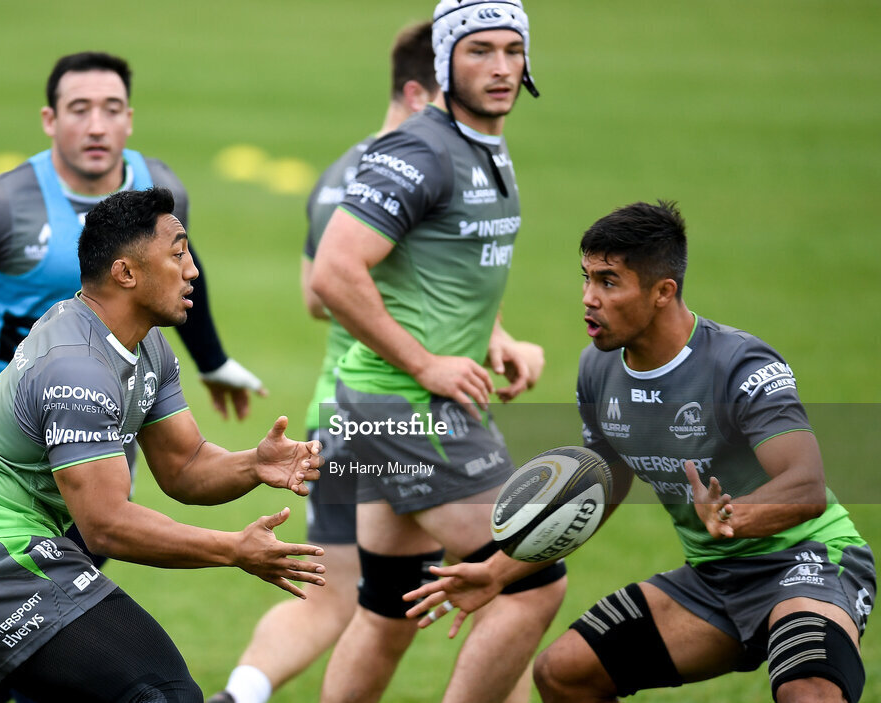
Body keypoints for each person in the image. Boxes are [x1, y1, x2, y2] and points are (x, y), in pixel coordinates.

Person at [405, 200, 876, 703]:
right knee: (564, 673)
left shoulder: (741, 366)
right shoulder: (598, 370)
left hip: (806, 563)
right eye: (586, 278)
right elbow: (596, 490)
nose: (588, 298)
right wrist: (496, 573)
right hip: (714, 580)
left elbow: (806, 485)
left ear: (662, 292)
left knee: (807, 690)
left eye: (608, 282)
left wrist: (735, 514)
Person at [0, 186, 326, 701]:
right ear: (126, 273)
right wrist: (234, 549)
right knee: (165, 694)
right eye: (178, 255)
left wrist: (254, 464)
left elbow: (185, 465)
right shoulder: (77, 367)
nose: (193, 270)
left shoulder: (146, 346)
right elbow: (106, 525)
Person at [311, 3, 565, 702]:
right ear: (446, 63)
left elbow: (446, 266)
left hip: (387, 405)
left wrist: (495, 336)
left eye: (512, 50)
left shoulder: (480, 142)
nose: (501, 67)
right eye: (479, 51)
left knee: (389, 608)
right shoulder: (422, 149)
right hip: (411, 407)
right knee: (531, 579)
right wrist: (426, 364)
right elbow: (333, 271)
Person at [208, 21, 441, 703]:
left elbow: (317, 296)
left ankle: (239, 695)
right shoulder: (427, 173)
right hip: (416, 415)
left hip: (336, 413)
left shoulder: (343, 170)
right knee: (505, 587)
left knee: (333, 595)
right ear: (421, 94)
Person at [0, 50, 264, 443]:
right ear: (50, 120)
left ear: (129, 120)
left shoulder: (159, 190)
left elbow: (175, 270)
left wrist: (212, 360)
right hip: (7, 425)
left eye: (112, 110)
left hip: (108, 411)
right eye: (79, 110)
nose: (97, 127)